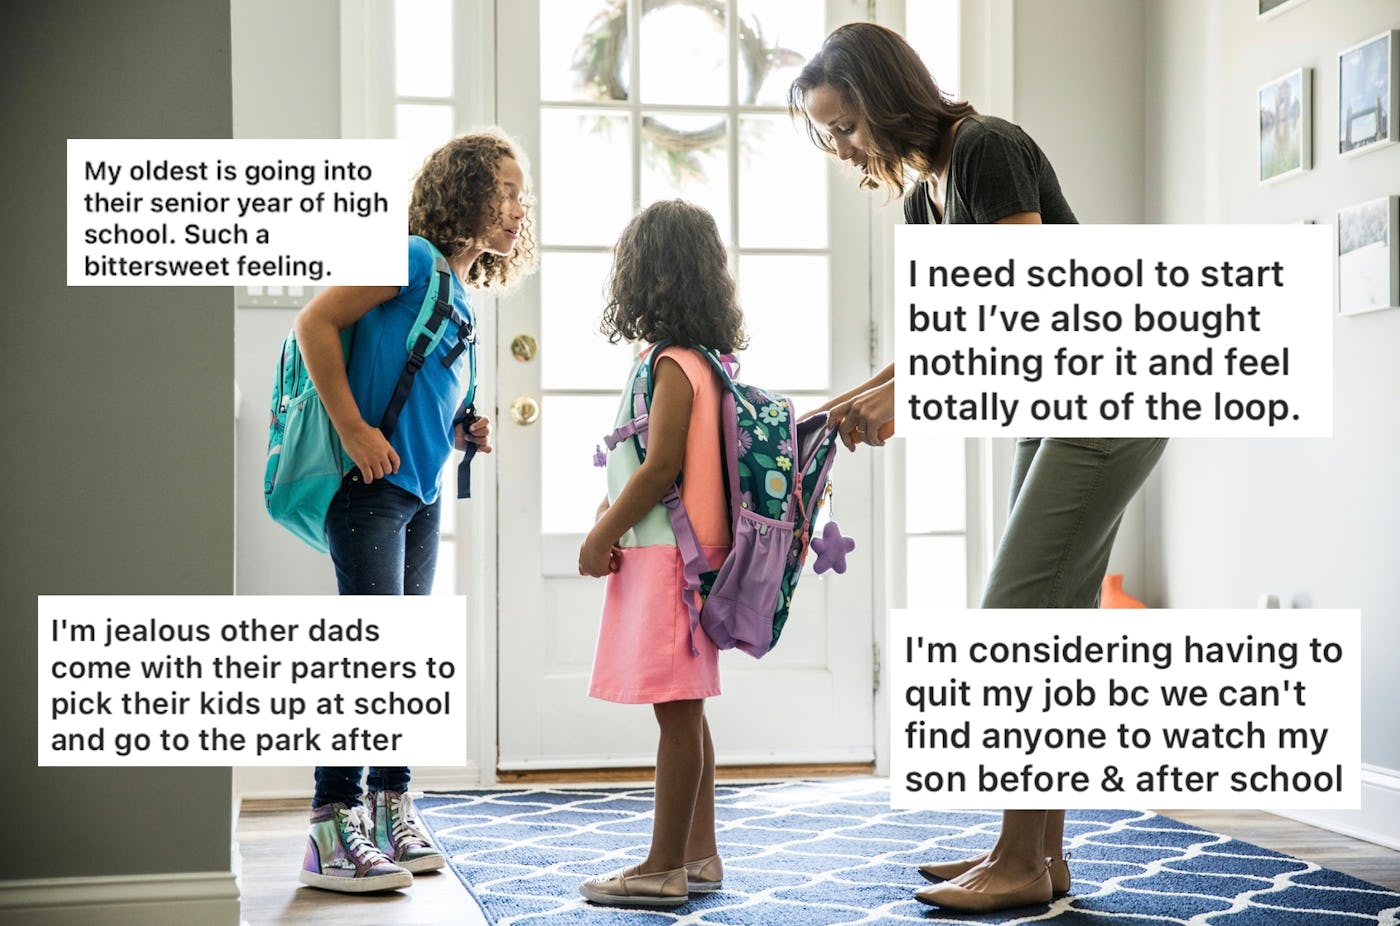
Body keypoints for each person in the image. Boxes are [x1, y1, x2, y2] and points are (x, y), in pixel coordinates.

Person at [790, 23, 1167, 915]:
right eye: (827, 134)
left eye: (844, 127)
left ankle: (1018, 860)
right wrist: (850, 403)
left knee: (1013, 620)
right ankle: (1038, 853)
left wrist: (896, 396)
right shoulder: (929, 193)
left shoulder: (987, 149)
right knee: (1052, 624)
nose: (842, 149)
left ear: (884, 97)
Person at [292, 129, 537, 893]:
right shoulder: (408, 256)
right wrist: (355, 430)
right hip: (370, 487)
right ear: (462, 190)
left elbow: (418, 381)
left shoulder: (457, 286)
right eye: (502, 188)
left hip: (418, 491)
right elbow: (315, 323)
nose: (515, 207)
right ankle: (332, 827)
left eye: (520, 193)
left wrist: (462, 426)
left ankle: (392, 805)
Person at [576, 200, 745, 909]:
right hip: (678, 557)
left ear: (646, 277)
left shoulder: (674, 364)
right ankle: (698, 855)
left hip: (668, 562)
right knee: (686, 709)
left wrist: (601, 534)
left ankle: (661, 866)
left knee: (677, 715)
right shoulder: (701, 360)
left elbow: (659, 466)